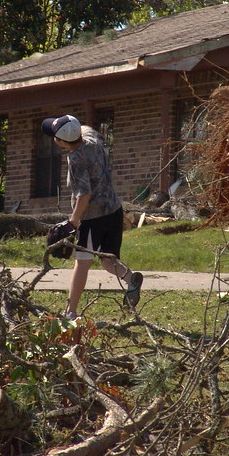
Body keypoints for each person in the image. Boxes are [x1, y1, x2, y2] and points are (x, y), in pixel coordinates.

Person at [41, 114, 143, 318]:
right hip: (113, 209)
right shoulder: (92, 138)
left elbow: (84, 195)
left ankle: (70, 312)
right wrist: (73, 127)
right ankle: (131, 279)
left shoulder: (75, 159)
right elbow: (84, 129)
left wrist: (73, 222)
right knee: (108, 259)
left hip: (92, 217)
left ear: (61, 142)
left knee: (82, 263)